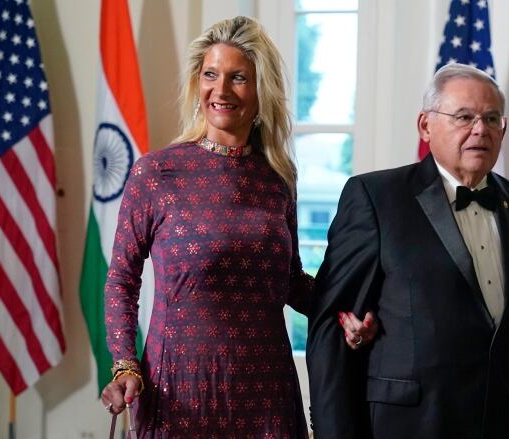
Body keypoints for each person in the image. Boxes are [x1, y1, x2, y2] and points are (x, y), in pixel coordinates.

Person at [99, 16, 375, 438]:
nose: (221, 90)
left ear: (261, 90)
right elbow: (121, 276)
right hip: (182, 392)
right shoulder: (157, 173)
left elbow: (289, 283)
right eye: (211, 75)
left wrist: (345, 312)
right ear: (198, 82)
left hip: (267, 393)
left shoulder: (279, 178)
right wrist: (125, 363)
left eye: (238, 77)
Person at [306, 63, 509, 438]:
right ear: (425, 126)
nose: (479, 129)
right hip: (408, 426)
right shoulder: (374, 198)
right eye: (464, 116)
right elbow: (331, 328)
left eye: (491, 118)